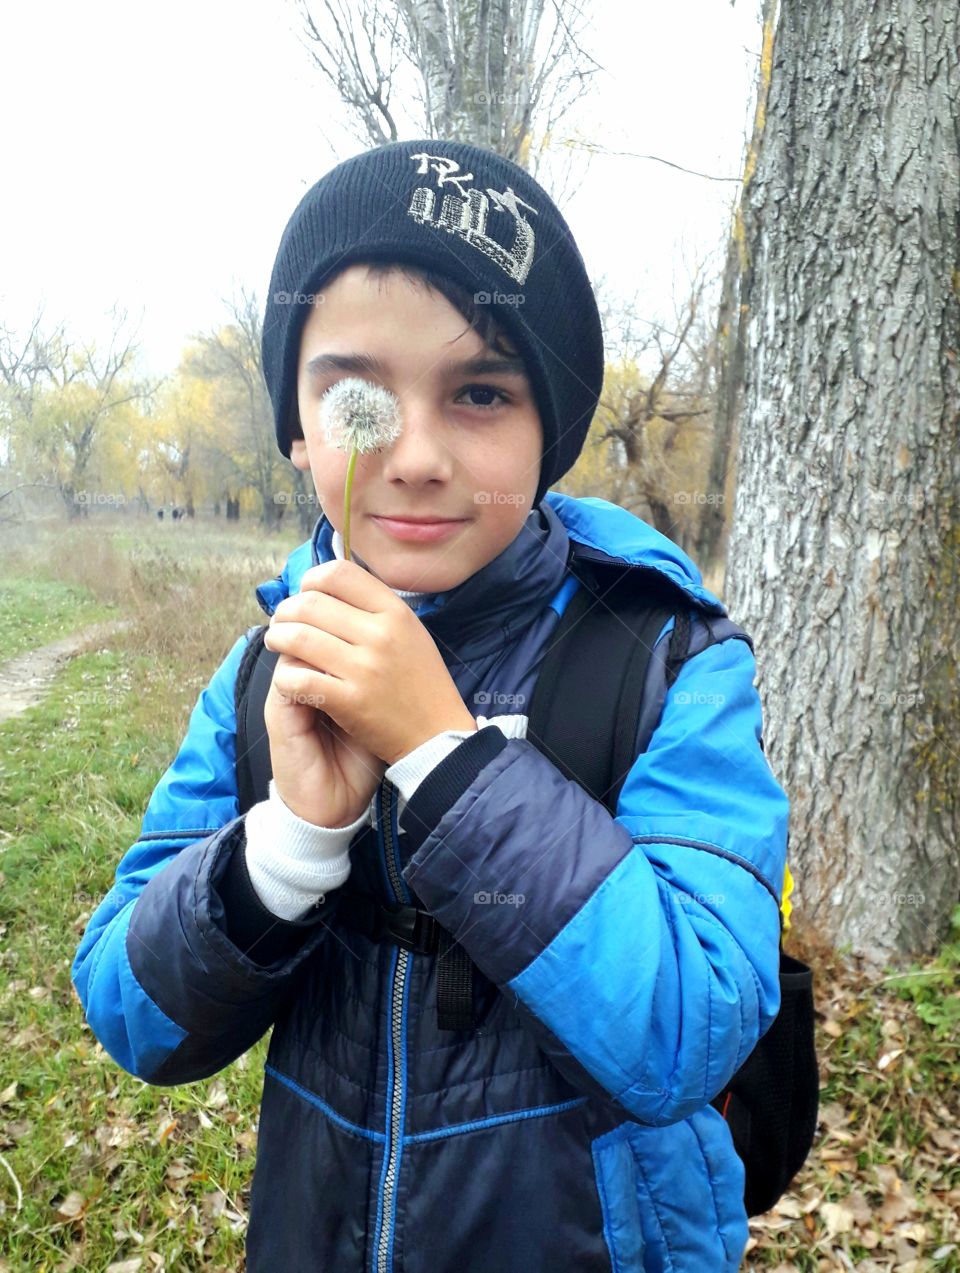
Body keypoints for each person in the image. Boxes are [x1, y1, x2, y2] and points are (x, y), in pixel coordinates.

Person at [72, 139, 789, 1272]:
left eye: (481, 392)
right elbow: (132, 1013)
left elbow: (691, 1027)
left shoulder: (665, 660)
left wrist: (445, 759)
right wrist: (291, 846)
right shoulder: (268, 671)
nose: (411, 454)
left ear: (546, 431)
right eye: (354, 394)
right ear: (298, 429)